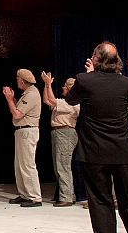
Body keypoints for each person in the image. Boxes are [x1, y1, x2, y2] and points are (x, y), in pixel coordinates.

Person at [66, 41, 128, 233]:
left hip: (94, 151)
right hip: (123, 150)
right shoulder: (127, 83)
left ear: (96, 59)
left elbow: (71, 99)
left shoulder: (84, 79)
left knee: (100, 201)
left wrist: (89, 75)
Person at [3, 68, 42, 208]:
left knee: (27, 164)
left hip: (27, 131)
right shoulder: (27, 93)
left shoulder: (32, 94)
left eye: (18, 79)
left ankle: (35, 197)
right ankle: (25, 194)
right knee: (19, 165)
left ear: (22, 80)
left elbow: (17, 114)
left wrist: (9, 99)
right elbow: (18, 110)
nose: (17, 81)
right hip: (22, 132)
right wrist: (13, 99)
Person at [41, 73, 80, 207]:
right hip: (59, 133)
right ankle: (69, 195)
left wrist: (48, 84)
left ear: (70, 89)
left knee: (63, 165)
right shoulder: (64, 102)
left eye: (65, 86)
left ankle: (67, 197)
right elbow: (47, 100)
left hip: (65, 133)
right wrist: (46, 85)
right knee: (59, 166)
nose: (63, 88)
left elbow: (51, 100)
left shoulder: (72, 102)